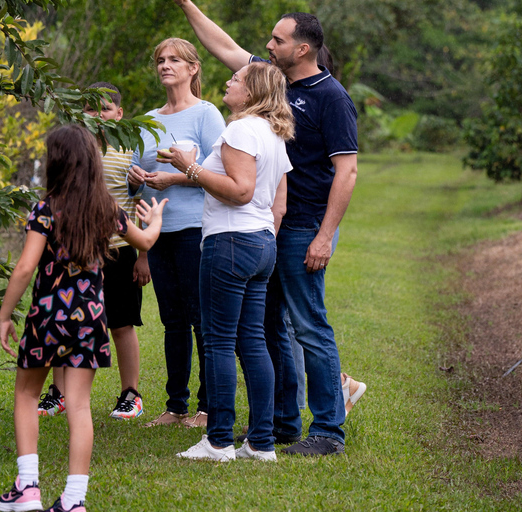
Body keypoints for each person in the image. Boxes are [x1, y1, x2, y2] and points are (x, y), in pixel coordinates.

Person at [174, 0, 362, 455]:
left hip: (305, 227)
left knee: (308, 326)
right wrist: (186, 4)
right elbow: (221, 44)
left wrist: (323, 235)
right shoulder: (271, 81)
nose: (267, 45)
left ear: (302, 48)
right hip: (269, 224)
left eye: (277, 40)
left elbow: (348, 171)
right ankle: (280, 425)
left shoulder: (331, 96)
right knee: (270, 326)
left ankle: (329, 432)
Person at [0, 124, 167, 512]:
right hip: (90, 317)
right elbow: (146, 241)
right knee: (80, 405)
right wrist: (155, 217)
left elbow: (25, 268)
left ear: (55, 162)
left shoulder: (45, 209)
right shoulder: (107, 208)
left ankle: (28, 489)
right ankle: (73, 500)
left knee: (26, 395)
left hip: (48, 315)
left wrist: (6, 313)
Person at [160, 61, 293, 462]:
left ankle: (218, 441)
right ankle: (261, 443)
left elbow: (240, 191)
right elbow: (279, 204)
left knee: (218, 341)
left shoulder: (239, 129)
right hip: (261, 244)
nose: (228, 82)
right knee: (252, 340)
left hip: (230, 241)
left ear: (251, 92)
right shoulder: (275, 133)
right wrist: (262, 236)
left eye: (235, 79)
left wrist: (190, 167)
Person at [127, 37, 226, 428]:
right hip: (157, 234)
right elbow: (133, 183)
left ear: (193, 68)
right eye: (160, 60)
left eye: (174, 60)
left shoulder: (206, 115)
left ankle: (207, 408)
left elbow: (221, 176)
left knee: (201, 319)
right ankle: (175, 406)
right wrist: (136, 181)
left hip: (196, 231)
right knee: (172, 322)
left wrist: (175, 178)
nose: (165, 65)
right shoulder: (147, 120)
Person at [37, 82, 148, 420]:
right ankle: (58, 394)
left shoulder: (130, 152)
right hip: (74, 254)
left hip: (118, 251)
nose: (97, 115)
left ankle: (131, 394)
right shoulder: (74, 151)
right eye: (89, 109)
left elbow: (140, 203)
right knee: (63, 320)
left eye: (105, 108)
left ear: (119, 113)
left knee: (122, 323)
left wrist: (143, 256)